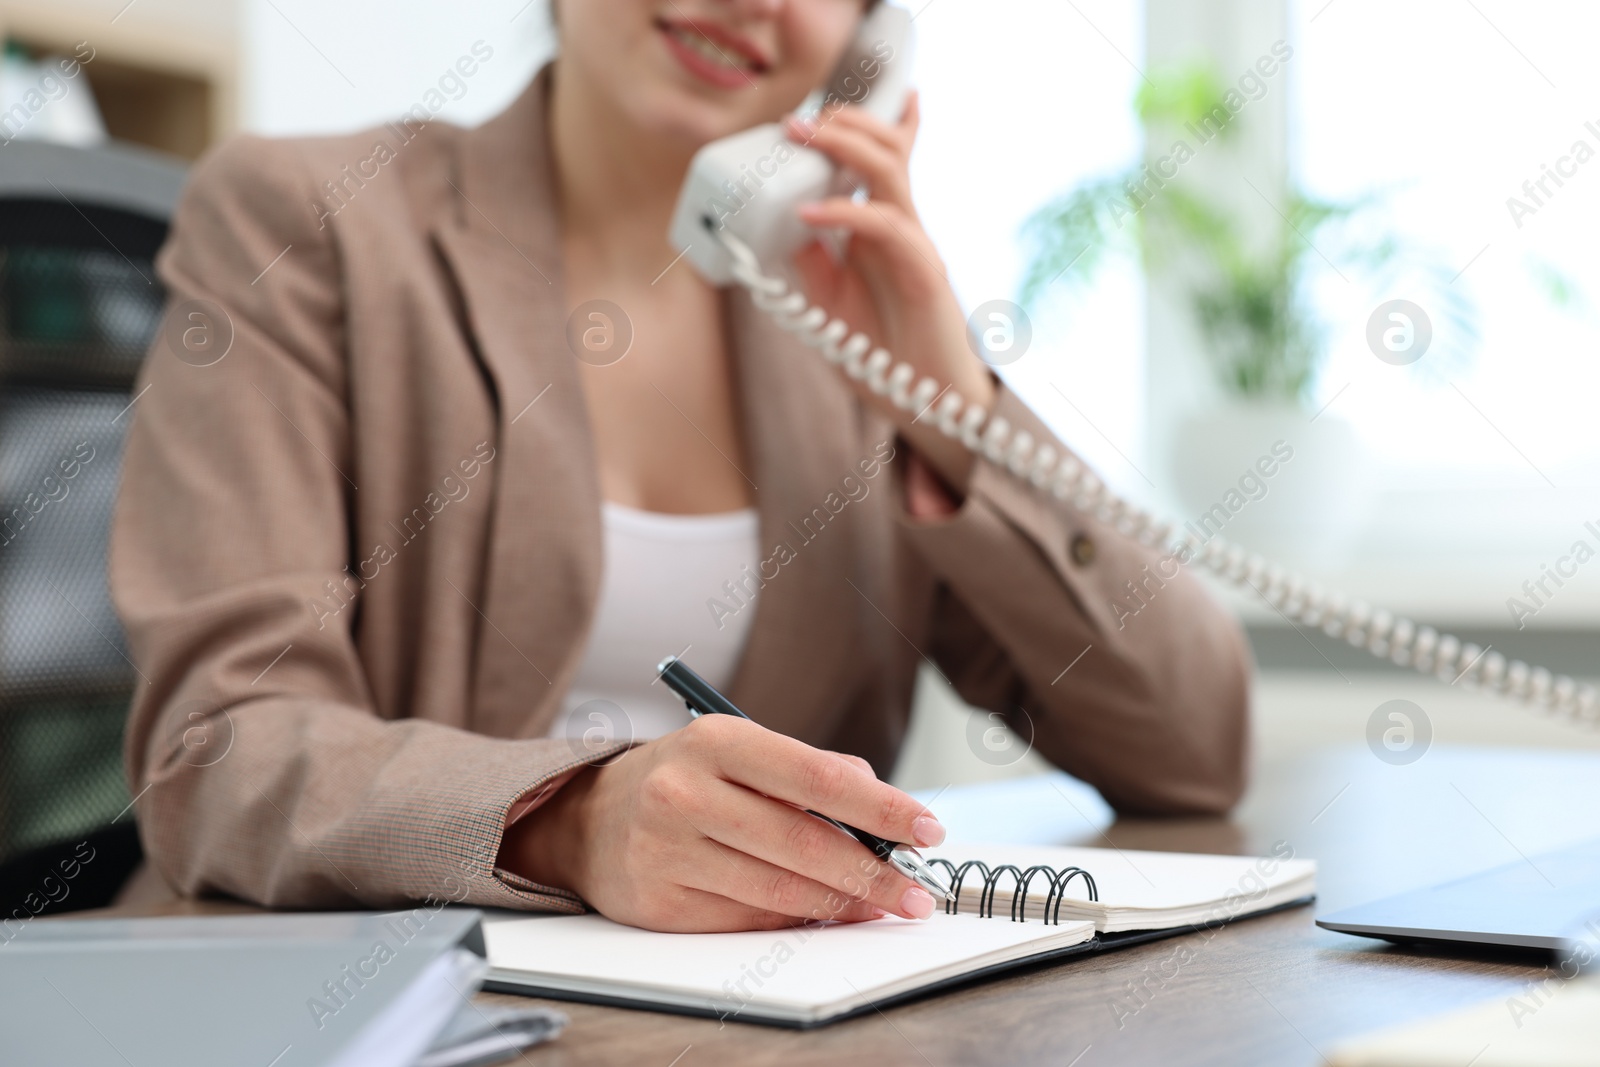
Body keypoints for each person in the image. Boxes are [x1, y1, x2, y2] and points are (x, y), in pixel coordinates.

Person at [112, 0, 1250, 934]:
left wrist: (954, 409)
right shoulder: (306, 222)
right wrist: (566, 819)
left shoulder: (840, 309)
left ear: (865, 34)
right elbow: (216, 750)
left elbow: (1193, 748)